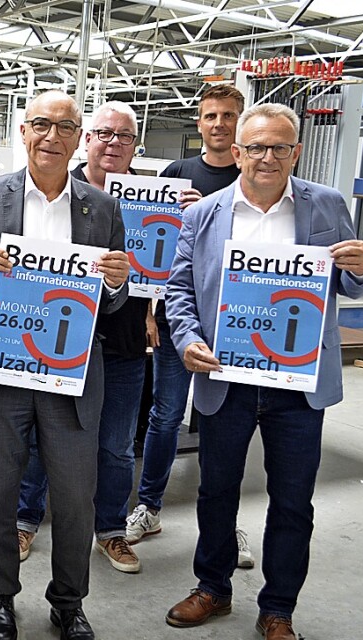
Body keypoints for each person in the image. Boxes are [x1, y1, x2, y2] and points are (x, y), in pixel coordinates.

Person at [163, 102, 363, 640]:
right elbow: (179, 291)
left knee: (293, 501)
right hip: (226, 381)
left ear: (297, 152)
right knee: (216, 493)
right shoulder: (203, 214)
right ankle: (213, 588)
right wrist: (187, 340)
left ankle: (278, 608)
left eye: (280, 147)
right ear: (237, 152)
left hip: (297, 389)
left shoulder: (325, 206)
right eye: (256, 147)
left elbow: (349, 285)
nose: (267, 157)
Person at [0, 89, 130, 640]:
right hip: (0, 374)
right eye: (41, 125)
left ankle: (69, 601)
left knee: (75, 498)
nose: (52, 137)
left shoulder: (102, 207)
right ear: (22, 132)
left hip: (69, 376)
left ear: (80, 139)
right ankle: (0, 595)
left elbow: (112, 302)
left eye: (66, 128)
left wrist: (117, 285)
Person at [15, 101, 151, 574]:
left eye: (125, 137)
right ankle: (25, 519)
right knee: (39, 441)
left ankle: (110, 532)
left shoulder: (155, 199)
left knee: (116, 446)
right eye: (103, 134)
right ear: (85, 140)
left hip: (126, 339)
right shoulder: (52, 195)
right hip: (58, 342)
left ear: (136, 145)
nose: (113, 144)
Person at [126, 84, 257, 570]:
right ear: (198, 123)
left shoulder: (257, 176)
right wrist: (146, 311)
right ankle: (150, 506)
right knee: (165, 415)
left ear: (240, 121)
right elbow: (149, 254)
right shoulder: (175, 173)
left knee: (231, 428)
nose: (220, 124)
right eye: (210, 116)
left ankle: (227, 525)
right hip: (180, 320)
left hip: (241, 324)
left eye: (228, 115)